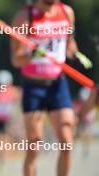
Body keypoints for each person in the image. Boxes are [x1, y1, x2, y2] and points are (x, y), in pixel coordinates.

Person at [10, 0, 91, 176]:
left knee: (67, 141)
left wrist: (76, 55)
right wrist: (32, 54)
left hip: (57, 84)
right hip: (33, 86)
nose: (50, 6)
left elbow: (69, 43)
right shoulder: (24, 17)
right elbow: (16, 59)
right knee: (34, 145)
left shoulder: (66, 12)